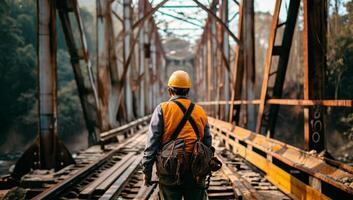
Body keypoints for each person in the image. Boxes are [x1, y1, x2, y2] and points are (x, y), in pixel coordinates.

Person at [142, 70, 212, 200]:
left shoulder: (162, 109)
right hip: (195, 166)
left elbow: (152, 143)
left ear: (170, 90)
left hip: (170, 167)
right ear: (188, 91)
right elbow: (207, 142)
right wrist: (205, 165)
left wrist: (147, 171)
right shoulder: (200, 111)